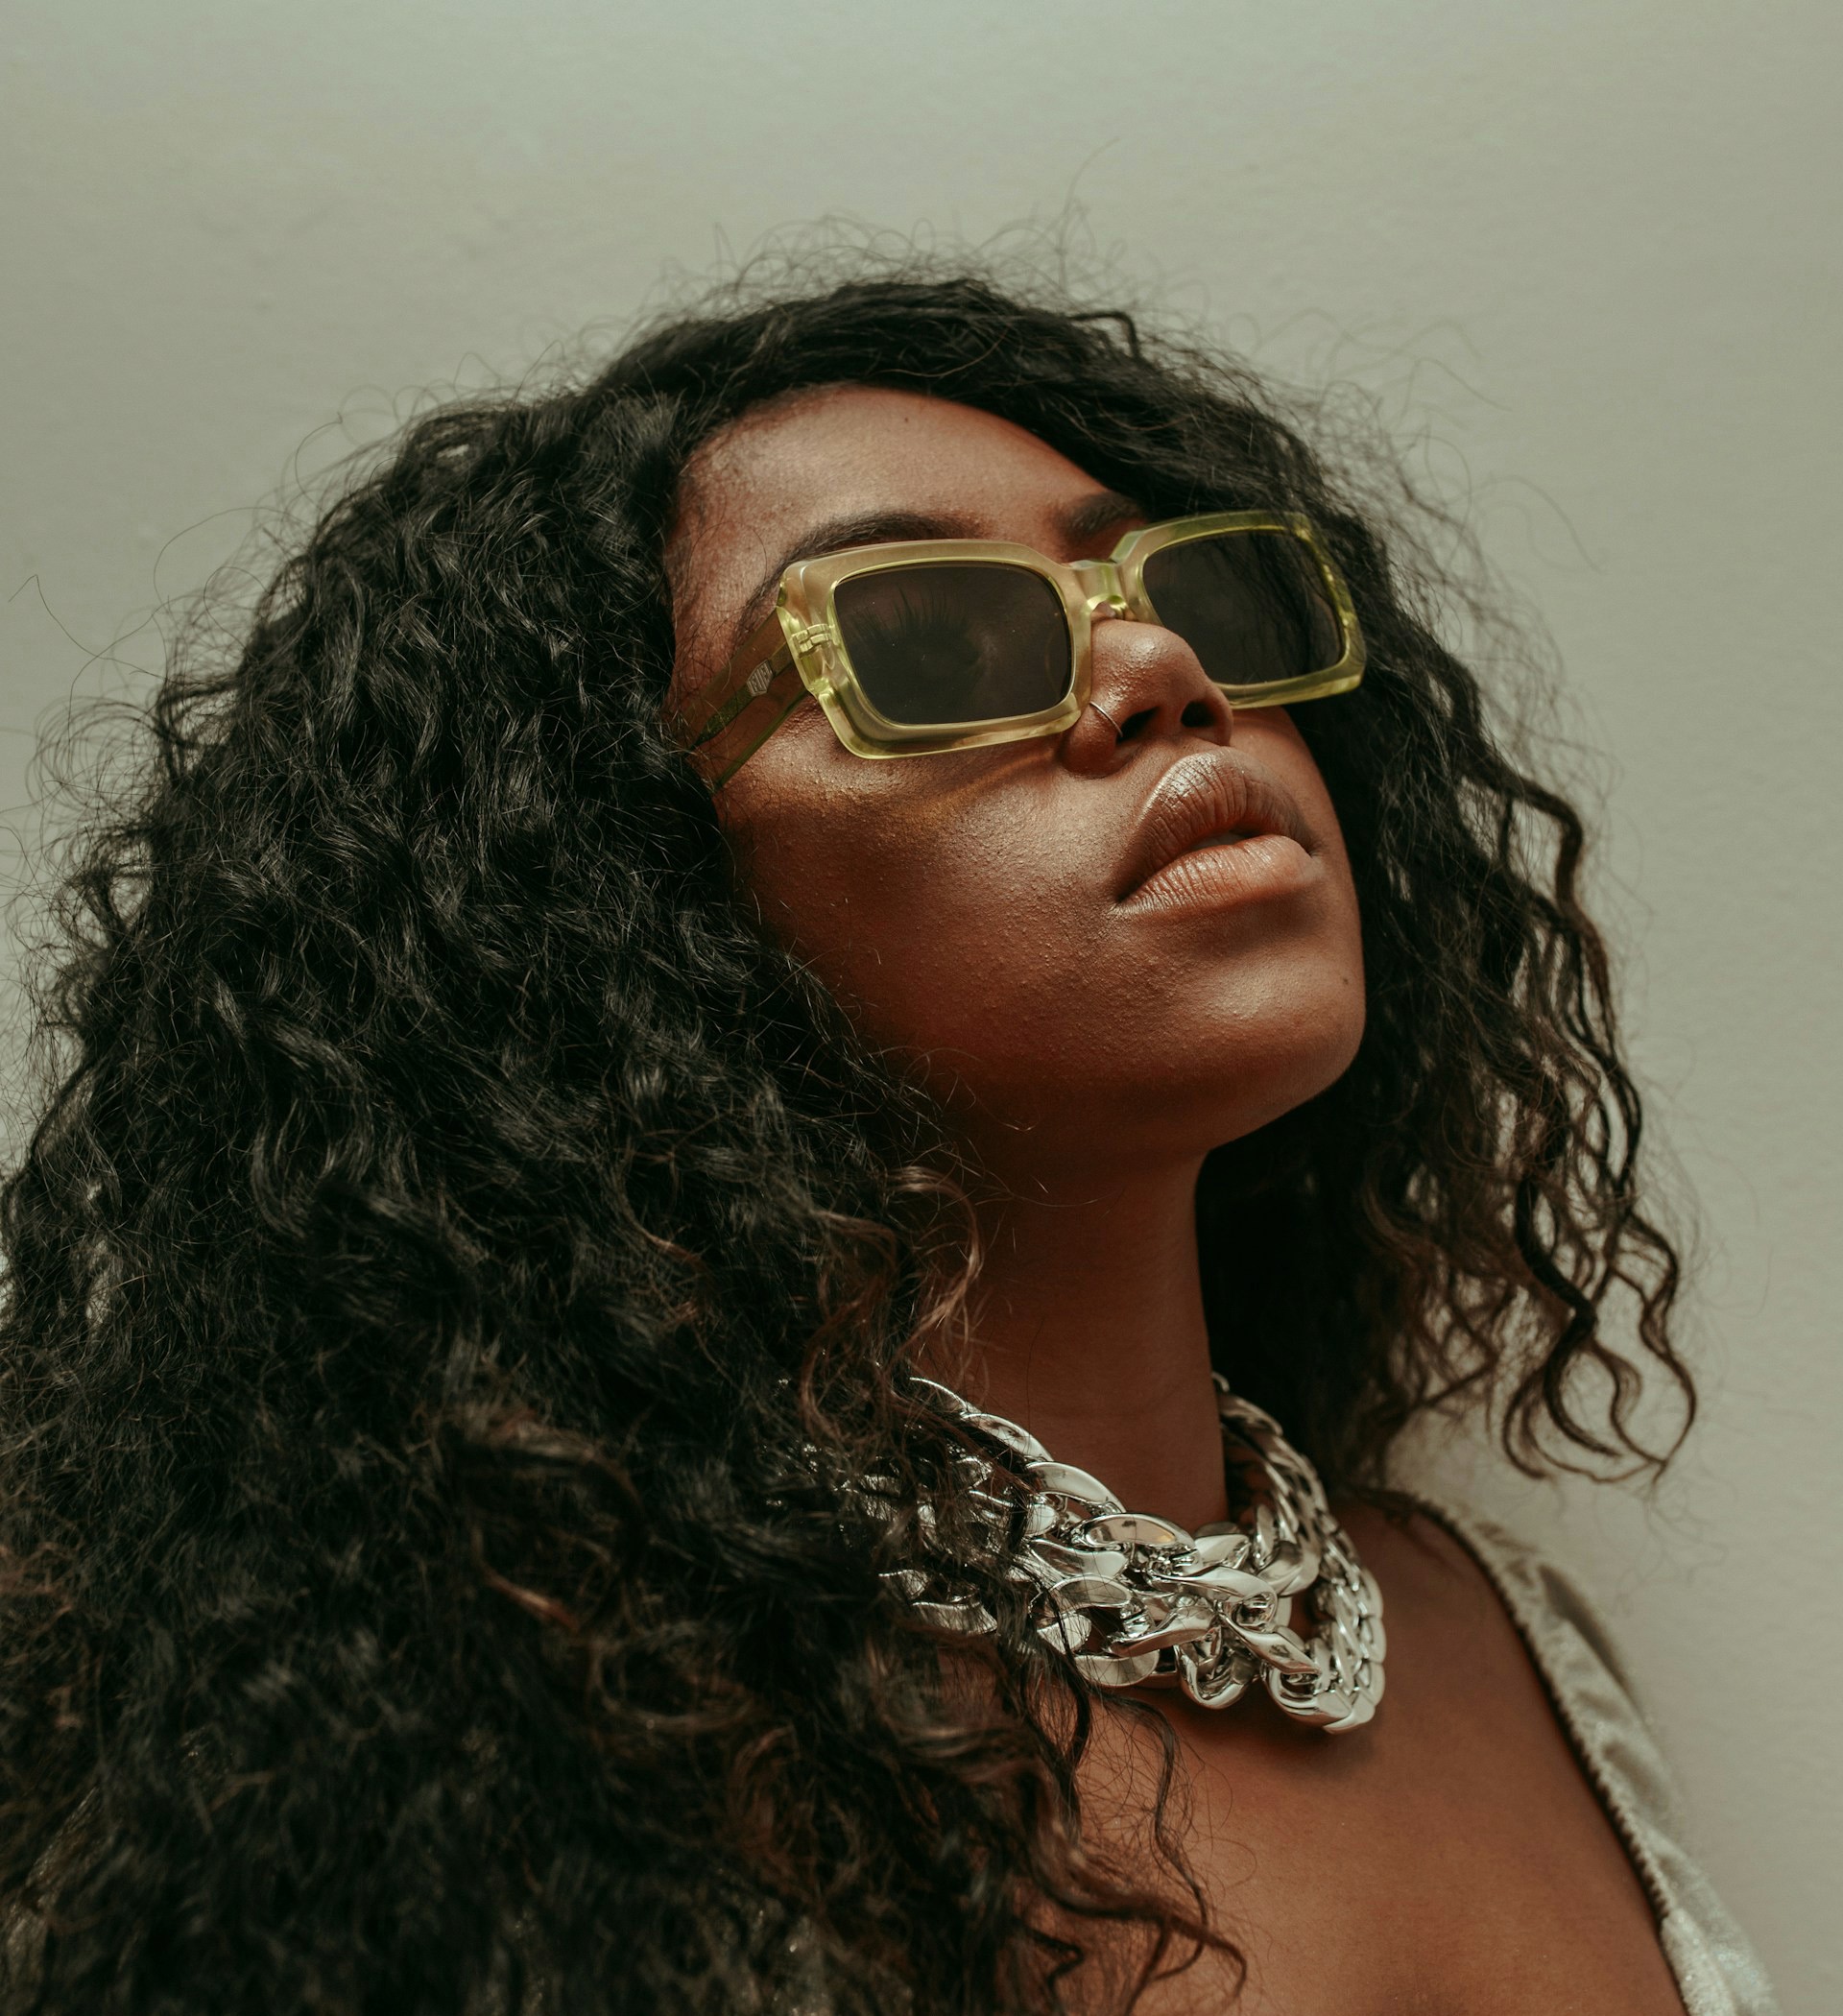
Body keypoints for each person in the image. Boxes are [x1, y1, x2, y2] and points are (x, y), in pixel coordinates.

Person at [0, 269, 1778, 2014]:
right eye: (929, 637)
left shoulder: (1513, 1639)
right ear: (620, 896)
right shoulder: (520, 1756)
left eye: (1208, 598)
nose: (1162, 668)